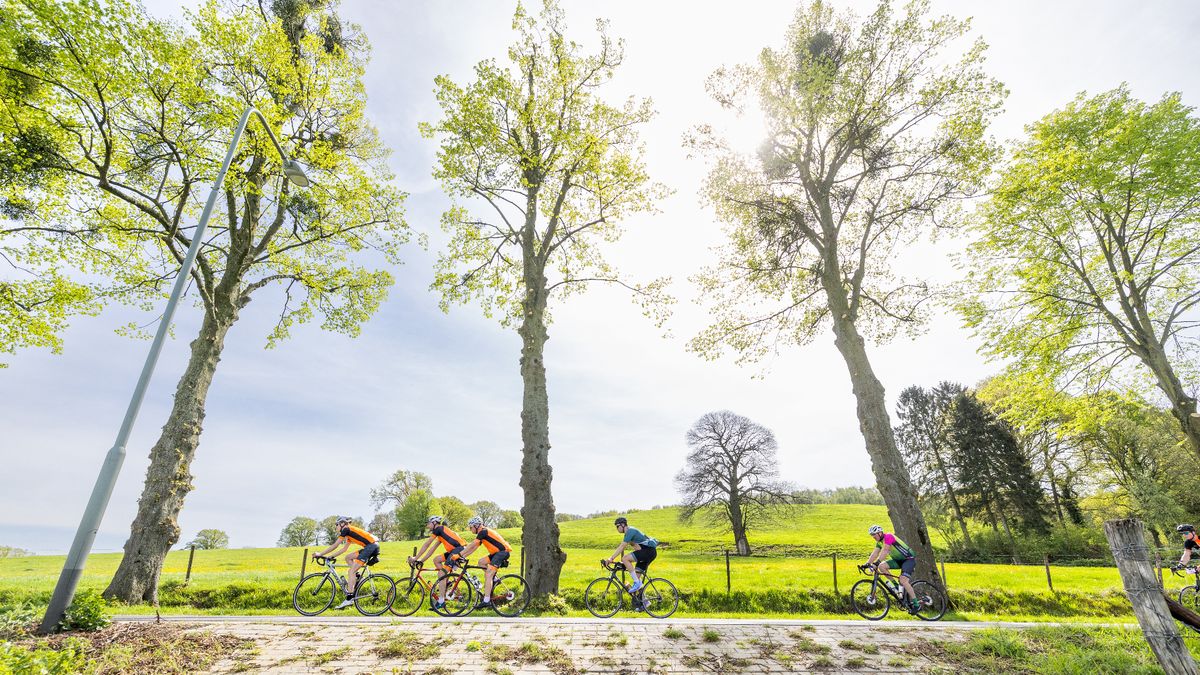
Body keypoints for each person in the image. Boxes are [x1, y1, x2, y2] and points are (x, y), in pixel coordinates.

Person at [312, 516, 379, 610]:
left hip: (370, 547)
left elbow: (335, 545)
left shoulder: (346, 529)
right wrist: (331, 556)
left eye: (336, 524)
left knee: (351, 572)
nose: (336, 527)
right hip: (371, 546)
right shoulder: (349, 533)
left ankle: (349, 598)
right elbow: (344, 549)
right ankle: (358, 576)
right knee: (348, 557)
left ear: (342, 524)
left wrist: (320, 554)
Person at [408, 515, 466, 611]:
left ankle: (441, 601)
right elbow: (431, 549)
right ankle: (446, 581)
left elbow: (427, 544)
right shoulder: (441, 533)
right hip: (454, 551)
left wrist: (415, 558)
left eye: (429, 523)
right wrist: (421, 560)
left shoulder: (439, 529)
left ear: (434, 523)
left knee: (441, 574)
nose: (427, 526)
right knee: (436, 560)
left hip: (458, 550)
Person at [458, 515, 513, 609]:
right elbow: (474, 548)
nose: (470, 529)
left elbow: (472, 544)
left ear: (477, 526)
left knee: (488, 574)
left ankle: (486, 601)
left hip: (502, 552)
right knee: (481, 562)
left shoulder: (483, 531)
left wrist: (459, 554)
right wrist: (463, 556)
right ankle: (495, 579)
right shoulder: (482, 533)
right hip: (496, 553)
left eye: (471, 527)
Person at [862, 524, 919, 613]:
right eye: (872, 535)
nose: (873, 537)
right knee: (882, 566)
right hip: (898, 560)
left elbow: (885, 550)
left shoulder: (888, 536)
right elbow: (875, 553)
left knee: (903, 580)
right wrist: (867, 564)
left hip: (908, 559)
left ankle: (916, 605)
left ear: (880, 533)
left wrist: (876, 563)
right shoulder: (879, 542)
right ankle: (896, 587)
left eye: (874, 534)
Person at [607, 516, 658, 596]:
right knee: (636, 577)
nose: (617, 529)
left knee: (625, 558)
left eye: (617, 526)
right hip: (648, 552)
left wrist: (611, 558)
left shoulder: (630, 531)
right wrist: (626, 563)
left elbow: (622, 546)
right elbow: (637, 548)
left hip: (648, 551)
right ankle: (643, 601)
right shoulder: (629, 533)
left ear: (623, 525)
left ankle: (637, 583)